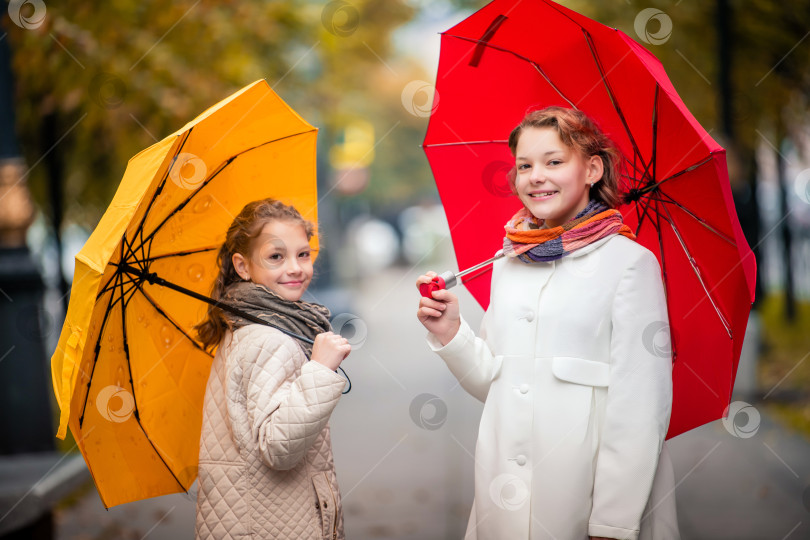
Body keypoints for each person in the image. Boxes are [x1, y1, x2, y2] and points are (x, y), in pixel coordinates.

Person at [416, 107, 680, 540]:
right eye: (524, 166)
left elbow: (641, 404)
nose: (535, 176)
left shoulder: (629, 264)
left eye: (554, 162)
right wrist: (450, 332)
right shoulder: (509, 261)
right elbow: (492, 382)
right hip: (504, 501)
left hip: (588, 502)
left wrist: (612, 523)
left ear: (592, 168)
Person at [194, 198, 350, 540]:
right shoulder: (269, 339)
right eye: (276, 257)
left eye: (303, 254)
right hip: (275, 525)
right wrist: (320, 371)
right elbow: (279, 447)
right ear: (243, 266)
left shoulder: (247, 324)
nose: (295, 267)